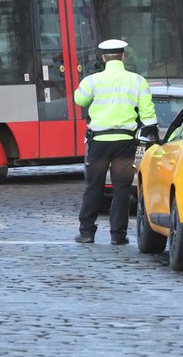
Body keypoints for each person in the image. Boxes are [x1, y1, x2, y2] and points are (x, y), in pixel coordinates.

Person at [73, 39, 157, 246]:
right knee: (122, 188)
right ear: (123, 56)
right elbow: (148, 115)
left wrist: (89, 78)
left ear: (102, 58)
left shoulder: (93, 80)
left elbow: (79, 100)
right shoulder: (138, 81)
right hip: (126, 143)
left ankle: (86, 233)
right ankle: (118, 236)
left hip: (99, 141)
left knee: (93, 186)